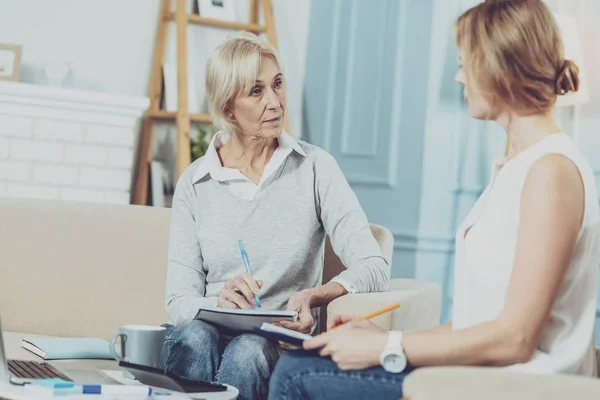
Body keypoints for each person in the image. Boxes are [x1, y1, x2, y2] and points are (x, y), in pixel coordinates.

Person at [268, 1, 600, 398]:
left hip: (517, 387)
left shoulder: (551, 172)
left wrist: (388, 347)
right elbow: (480, 322)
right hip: (486, 376)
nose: (459, 77)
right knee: (303, 362)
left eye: (465, 63)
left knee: (295, 373)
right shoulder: (521, 167)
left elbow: (516, 338)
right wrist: (387, 337)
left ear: (500, 68)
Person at [158, 31, 390, 400]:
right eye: (256, 91)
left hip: (272, 344)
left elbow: (374, 266)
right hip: (204, 337)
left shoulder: (315, 167)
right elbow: (179, 301)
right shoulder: (195, 183)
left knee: (248, 349)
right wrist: (218, 303)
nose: (275, 102)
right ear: (228, 108)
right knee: (194, 336)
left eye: (277, 84)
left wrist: (316, 295)